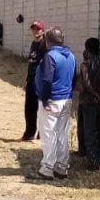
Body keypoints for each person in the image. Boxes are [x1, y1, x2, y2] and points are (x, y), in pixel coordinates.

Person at [35, 27, 77, 180]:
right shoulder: (71, 56)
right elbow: (73, 79)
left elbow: (47, 79)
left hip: (52, 100)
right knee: (62, 134)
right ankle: (62, 167)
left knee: (48, 133)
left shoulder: (50, 56)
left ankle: (47, 168)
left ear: (48, 41)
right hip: (66, 99)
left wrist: (45, 99)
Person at [76, 37, 100, 169]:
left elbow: (87, 85)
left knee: (88, 131)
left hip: (87, 101)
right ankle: (93, 155)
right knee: (97, 130)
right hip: (99, 102)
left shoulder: (85, 65)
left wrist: (96, 95)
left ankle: (93, 161)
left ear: (87, 50)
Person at [22, 21, 46, 141]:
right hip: (31, 80)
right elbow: (31, 63)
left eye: (37, 29)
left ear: (42, 31)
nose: (35, 32)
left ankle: (41, 134)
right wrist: (27, 80)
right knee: (29, 108)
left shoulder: (44, 45)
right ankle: (29, 133)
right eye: (33, 29)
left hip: (40, 81)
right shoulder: (33, 44)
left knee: (41, 108)